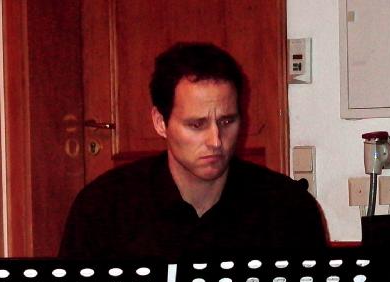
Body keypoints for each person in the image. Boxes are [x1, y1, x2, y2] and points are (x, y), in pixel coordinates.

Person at [59, 42, 328, 261]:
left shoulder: (287, 207)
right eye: (196, 124)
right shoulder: (104, 207)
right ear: (160, 122)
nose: (215, 140)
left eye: (227, 121)